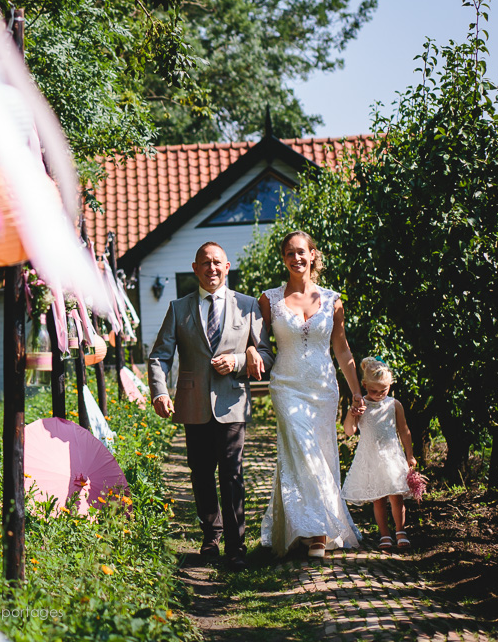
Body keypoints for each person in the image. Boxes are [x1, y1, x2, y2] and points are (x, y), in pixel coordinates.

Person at [148, 241, 273, 569]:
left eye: (217, 262)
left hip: (232, 402)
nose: (211, 268)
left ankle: (236, 547)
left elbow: (267, 356)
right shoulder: (178, 308)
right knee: (201, 473)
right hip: (192, 405)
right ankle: (211, 536)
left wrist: (236, 361)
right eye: (205, 263)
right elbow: (160, 355)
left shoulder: (247, 306)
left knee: (232, 474)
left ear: (227, 267)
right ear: (195, 268)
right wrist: (160, 392)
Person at [254, 230, 364, 558]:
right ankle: (316, 531)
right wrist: (250, 353)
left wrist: (356, 392)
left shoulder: (332, 300)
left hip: (323, 389)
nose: (296, 258)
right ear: (283, 259)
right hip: (286, 386)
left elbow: (342, 349)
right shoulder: (268, 299)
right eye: (289, 253)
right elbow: (260, 344)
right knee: (300, 451)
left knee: (321, 455)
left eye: (302, 252)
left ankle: (298, 527)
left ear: (313, 255)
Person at [341, 357, 419, 551]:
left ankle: (400, 531)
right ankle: (384, 534)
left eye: (383, 390)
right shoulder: (362, 406)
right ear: (364, 385)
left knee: (396, 496)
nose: (377, 395)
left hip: (392, 456)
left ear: (390, 385)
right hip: (371, 458)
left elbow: (404, 430)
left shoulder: (394, 405)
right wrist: (353, 412)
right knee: (378, 498)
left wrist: (410, 455)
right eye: (372, 390)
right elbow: (349, 431)